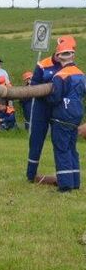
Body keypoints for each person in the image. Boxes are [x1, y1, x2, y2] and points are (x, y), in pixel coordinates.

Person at [47, 38, 85, 192]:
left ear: (59, 56)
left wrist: (46, 97)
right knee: (71, 147)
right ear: (73, 56)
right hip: (76, 114)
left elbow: (55, 98)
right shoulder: (81, 74)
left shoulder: (60, 75)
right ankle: (75, 182)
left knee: (61, 149)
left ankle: (65, 185)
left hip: (62, 114)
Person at [25, 43, 63, 182]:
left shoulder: (68, 65)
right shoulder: (42, 64)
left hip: (58, 107)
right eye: (60, 54)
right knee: (36, 140)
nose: (62, 57)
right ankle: (31, 175)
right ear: (56, 52)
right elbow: (34, 86)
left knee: (60, 141)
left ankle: (63, 176)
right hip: (41, 107)